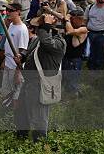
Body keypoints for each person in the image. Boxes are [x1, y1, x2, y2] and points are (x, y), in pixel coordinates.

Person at [14, 14, 66, 142]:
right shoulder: (38, 39)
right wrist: (22, 56)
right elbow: (30, 50)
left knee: (39, 117)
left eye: (40, 27)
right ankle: (22, 138)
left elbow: (47, 44)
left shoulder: (59, 43)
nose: (36, 29)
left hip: (41, 84)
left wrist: (46, 25)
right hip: (29, 82)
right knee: (22, 112)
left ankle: (40, 143)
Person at [0, 3, 29, 107]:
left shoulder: (22, 30)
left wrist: (18, 71)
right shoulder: (11, 25)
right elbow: (8, 45)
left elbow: (22, 52)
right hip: (8, 63)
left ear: (18, 12)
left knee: (16, 94)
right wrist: (4, 60)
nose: (7, 12)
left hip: (15, 66)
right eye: (7, 10)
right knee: (6, 90)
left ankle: (15, 117)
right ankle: (5, 111)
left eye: (11, 11)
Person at [62, 9, 88, 97]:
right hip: (66, 57)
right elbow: (62, 17)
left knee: (73, 81)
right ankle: (68, 96)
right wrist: (49, 10)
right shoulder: (70, 24)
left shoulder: (83, 28)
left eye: (73, 19)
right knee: (65, 79)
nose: (72, 21)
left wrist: (67, 20)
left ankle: (75, 97)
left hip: (75, 59)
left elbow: (70, 31)